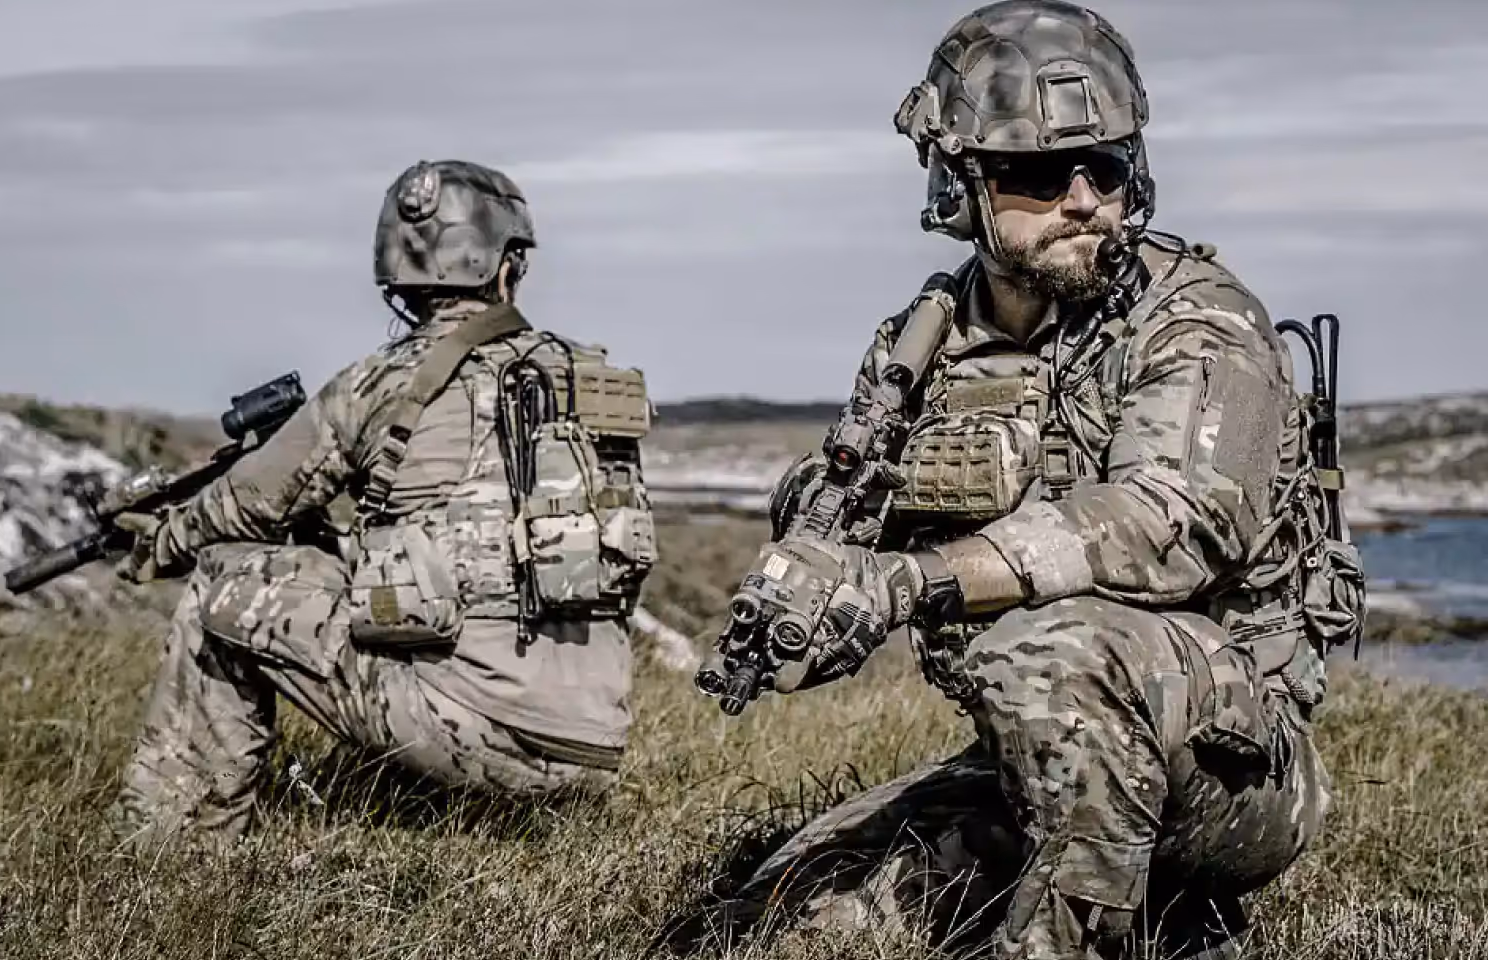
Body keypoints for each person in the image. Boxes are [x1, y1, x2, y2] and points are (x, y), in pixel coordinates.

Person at [708, 3, 1365, 957]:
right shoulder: (920, 346)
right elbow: (853, 516)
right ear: (961, 185)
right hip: (1039, 754)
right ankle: (1159, 918)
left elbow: (1168, 521)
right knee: (784, 917)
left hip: (1236, 765)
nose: (1087, 197)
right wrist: (816, 573)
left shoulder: (1200, 320)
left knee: (1054, 651)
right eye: (1040, 173)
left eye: (1111, 165)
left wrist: (910, 583)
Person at [109, 160, 659, 843]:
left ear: (395, 276)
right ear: (509, 264)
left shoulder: (377, 385)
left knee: (221, 581)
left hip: (473, 734)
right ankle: (426, 809)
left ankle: (170, 851)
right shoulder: (592, 381)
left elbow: (246, 508)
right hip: (595, 741)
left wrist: (157, 538)